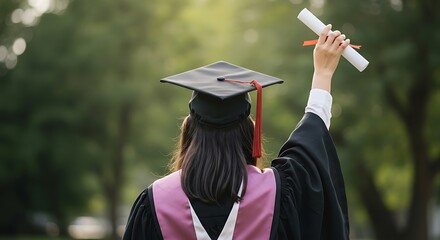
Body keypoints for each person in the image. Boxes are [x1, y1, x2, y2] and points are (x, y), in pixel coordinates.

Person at [123, 24, 350, 240]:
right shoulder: (277, 193)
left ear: (187, 128)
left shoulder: (155, 202)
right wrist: (322, 73)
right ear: (251, 131)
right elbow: (310, 146)